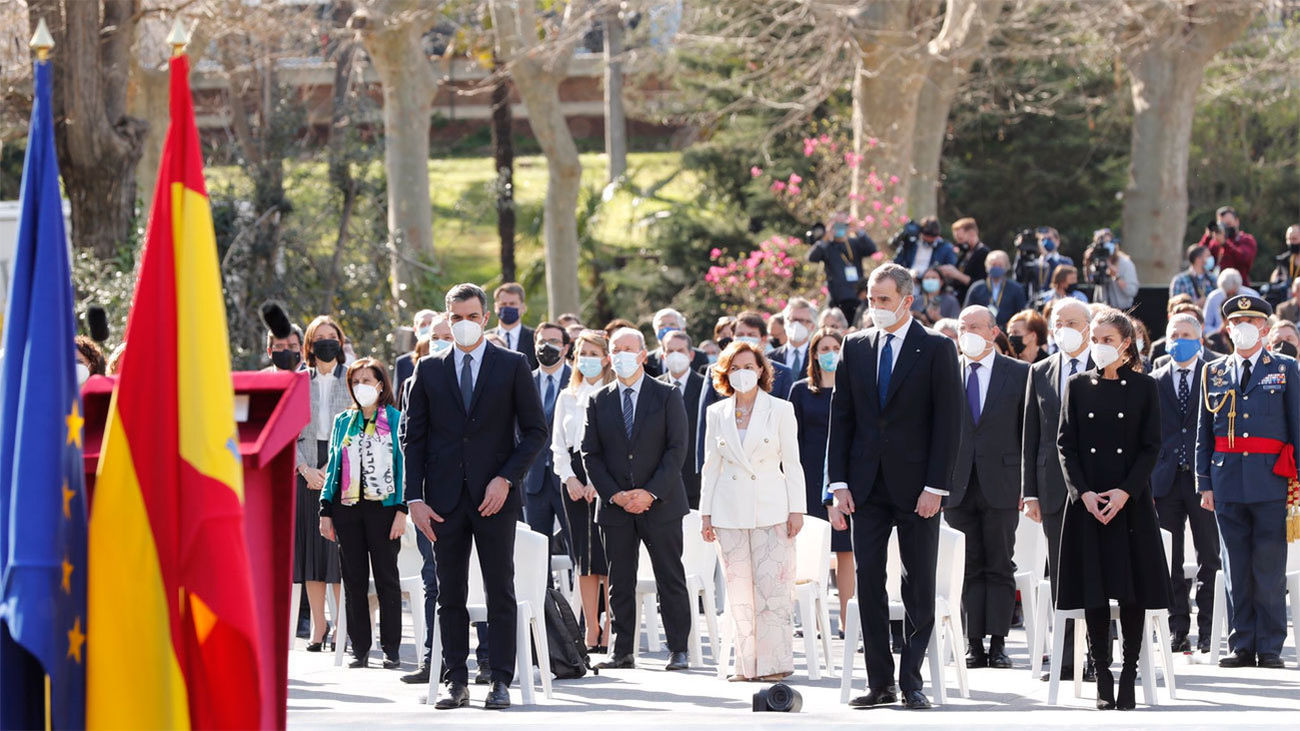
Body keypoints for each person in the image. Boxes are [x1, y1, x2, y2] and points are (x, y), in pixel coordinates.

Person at [403, 283, 548, 711]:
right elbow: (414, 440)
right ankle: (456, 680)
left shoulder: (512, 365)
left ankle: (500, 679)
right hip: (443, 502)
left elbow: (535, 431)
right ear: (446, 319)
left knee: (499, 587)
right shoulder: (427, 371)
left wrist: (506, 478)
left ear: (485, 318)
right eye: (456, 317)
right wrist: (414, 499)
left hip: (495, 498)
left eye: (471, 316)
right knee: (449, 593)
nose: (463, 324)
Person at [827, 263, 962, 710]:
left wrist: (936, 486)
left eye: (883, 299)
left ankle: (912, 681)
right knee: (868, 582)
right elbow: (842, 419)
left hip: (918, 488)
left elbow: (948, 424)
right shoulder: (856, 346)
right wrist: (839, 483)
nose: (875, 307)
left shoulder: (937, 349)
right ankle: (880, 682)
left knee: (918, 583)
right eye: (871, 298)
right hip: (865, 487)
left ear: (907, 300)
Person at [1057, 308, 1169, 710]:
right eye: (1095, 339)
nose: (1099, 346)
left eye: (1107, 340)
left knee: (1131, 590)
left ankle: (1129, 672)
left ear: (1126, 344)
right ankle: (1101, 670)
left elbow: (1150, 446)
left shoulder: (1144, 387)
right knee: (1094, 589)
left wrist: (1125, 492)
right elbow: (1065, 445)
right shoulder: (1076, 385)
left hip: (1129, 503)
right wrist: (1083, 493)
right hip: (1088, 503)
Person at [581, 327, 693, 672]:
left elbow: (677, 450)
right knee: (619, 582)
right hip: (616, 507)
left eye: (629, 349)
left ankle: (678, 648)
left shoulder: (667, 395)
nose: (621, 356)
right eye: (616, 349)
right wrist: (615, 494)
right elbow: (590, 453)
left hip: (660, 504)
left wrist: (650, 492)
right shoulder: (599, 399)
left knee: (669, 577)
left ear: (643, 355)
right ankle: (622, 650)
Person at [1196, 295, 1295, 670]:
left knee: (1268, 566)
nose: (1242, 328)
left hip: (1272, 479)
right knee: (1235, 565)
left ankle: (1269, 645)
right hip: (1227, 479)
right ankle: (1242, 643)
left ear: (1265, 329)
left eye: (1251, 321)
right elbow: (1204, 431)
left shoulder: (1284, 368)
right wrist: (1204, 481)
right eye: (1236, 322)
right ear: (1226, 328)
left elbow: (1296, 425)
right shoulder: (1214, 371)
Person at [699, 340, 806, 681]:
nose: (742, 373)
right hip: (728, 511)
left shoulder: (780, 409)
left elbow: (792, 462)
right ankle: (747, 666)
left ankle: (775, 664)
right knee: (739, 592)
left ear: (761, 370)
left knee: (772, 590)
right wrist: (705, 513)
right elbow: (710, 465)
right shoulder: (716, 413)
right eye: (735, 367)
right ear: (725, 373)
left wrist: (797, 510)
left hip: (772, 509)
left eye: (749, 366)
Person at [948, 306, 1029, 669]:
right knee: (966, 565)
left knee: (999, 563)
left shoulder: (1020, 374)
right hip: (957, 485)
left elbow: (1028, 434)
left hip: (1003, 482)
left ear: (994, 332)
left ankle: (998, 643)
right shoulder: (948, 373)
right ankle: (973, 642)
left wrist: (1027, 487)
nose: (968, 333)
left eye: (975, 327)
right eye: (963, 327)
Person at [1021, 298, 1094, 681]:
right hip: (1052, 489)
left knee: (1097, 571)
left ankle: (1098, 656)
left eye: (1073, 321)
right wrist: (1028, 491)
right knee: (1063, 574)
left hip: (1096, 487)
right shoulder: (1040, 371)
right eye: (1058, 321)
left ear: (1088, 326)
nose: (1064, 327)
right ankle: (1066, 659)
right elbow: (1031, 436)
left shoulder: (1105, 366)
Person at [318, 357, 407, 669]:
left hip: (384, 510)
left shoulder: (395, 419)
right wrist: (325, 509)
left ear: (381, 385)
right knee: (353, 579)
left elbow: (403, 467)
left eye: (367, 381)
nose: (361, 387)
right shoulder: (344, 421)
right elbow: (333, 467)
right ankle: (360, 647)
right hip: (347, 509)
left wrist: (401, 509)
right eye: (356, 381)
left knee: (386, 578)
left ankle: (392, 648)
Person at [1149, 313, 1221, 654]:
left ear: (1201, 337)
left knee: (1209, 555)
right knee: (1169, 559)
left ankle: (1208, 628)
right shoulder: (1156, 378)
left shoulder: (1216, 371)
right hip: (1164, 481)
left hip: (1203, 478)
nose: (1180, 339)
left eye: (1186, 333)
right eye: (1174, 334)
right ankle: (1176, 628)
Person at [552, 330, 615, 652]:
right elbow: (558, 447)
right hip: (574, 479)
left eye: (593, 353)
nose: (587, 359)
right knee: (584, 558)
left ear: (606, 358)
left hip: (606, 476)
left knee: (607, 557)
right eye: (582, 353)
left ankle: (609, 626)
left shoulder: (613, 393)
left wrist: (598, 483)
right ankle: (591, 628)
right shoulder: (567, 396)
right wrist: (570, 479)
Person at [788, 329, 854, 631]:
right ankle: (811, 620)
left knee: (845, 551)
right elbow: (792, 439)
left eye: (835, 347)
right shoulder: (801, 390)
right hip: (808, 473)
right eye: (824, 348)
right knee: (812, 550)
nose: (830, 353)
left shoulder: (852, 387)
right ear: (814, 354)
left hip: (841, 476)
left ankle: (845, 620)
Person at [295, 315, 348, 653]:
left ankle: (344, 626)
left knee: (340, 552)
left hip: (342, 469)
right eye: (320, 337)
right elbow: (288, 432)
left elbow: (359, 426)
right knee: (313, 553)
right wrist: (304, 468)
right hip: (305, 468)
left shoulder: (353, 377)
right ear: (310, 345)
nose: (327, 342)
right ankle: (319, 625)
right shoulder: (298, 381)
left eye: (333, 336)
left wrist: (330, 469)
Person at [522, 322, 573, 551]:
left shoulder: (577, 381)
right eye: (542, 341)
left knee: (577, 548)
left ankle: (578, 589)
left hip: (569, 480)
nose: (547, 347)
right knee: (537, 552)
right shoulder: (523, 381)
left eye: (553, 342)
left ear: (565, 348)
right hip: (533, 481)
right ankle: (543, 589)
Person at [656, 330, 709, 509]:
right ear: (663, 355)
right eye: (670, 351)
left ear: (691, 354)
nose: (675, 355)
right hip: (661, 481)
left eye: (681, 351)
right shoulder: (653, 387)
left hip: (697, 479)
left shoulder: (706, 387)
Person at [808, 212, 877, 321]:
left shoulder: (854, 243)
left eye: (843, 223)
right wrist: (826, 236)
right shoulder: (827, 246)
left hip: (857, 297)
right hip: (837, 300)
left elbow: (872, 249)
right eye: (837, 224)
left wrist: (858, 230)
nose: (840, 227)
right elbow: (812, 257)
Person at [732, 311, 794, 398]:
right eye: (740, 334)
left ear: (763, 339)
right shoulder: (717, 370)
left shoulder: (782, 373)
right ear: (732, 337)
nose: (745, 338)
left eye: (751, 335)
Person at [964, 250, 1028, 329]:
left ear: (1006, 267)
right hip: (981, 332)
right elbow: (967, 312)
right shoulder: (976, 288)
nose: (996, 268)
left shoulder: (1016, 289)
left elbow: (1022, 315)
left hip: (1007, 332)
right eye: (993, 265)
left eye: (1000, 265)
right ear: (987, 266)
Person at [1082, 231, 1140, 309]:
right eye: (1101, 244)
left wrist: (1116, 276)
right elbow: (1090, 280)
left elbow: (1132, 291)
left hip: (1121, 310)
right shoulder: (1097, 262)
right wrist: (1087, 263)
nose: (1104, 247)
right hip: (1101, 310)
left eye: (1107, 243)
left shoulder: (1126, 263)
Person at [645, 307, 709, 377]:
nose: (666, 329)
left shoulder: (699, 356)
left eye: (672, 324)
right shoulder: (648, 359)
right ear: (655, 331)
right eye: (662, 325)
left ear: (683, 329)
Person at [487, 282, 538, 370]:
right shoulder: (485, 338)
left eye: (512, 304)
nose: (508, 307)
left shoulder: (535, 338)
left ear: (523, 307)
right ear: (496, 307)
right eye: (503, 304)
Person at [1198, 206, 1258, 277]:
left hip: (1238, 285)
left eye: (1228, 224)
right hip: (1217, 285)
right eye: (1222, 225)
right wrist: (1207, 236)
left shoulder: (1246, 239)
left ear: (1237, 221)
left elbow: (1244, 259)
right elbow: (1198, 257)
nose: (1225, 227)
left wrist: (1225, 243)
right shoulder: (1215, 242)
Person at [1204, 268, 1260, 343]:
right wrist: (1218, 331)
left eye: (1234, 294)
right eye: (1228, 294)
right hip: (1221, 341)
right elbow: (1205, 325)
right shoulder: (1213, 298)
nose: (1231, 297)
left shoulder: (1252, 296)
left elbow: (1260, 322)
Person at [944, 217, 990, 302]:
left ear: (972, 233)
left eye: (960, 239)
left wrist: (956, 274)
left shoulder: (983, 253)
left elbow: (981, 283)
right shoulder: (965, 253)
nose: (959, 243)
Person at [769, 297, 818, 378]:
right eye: (793, 319)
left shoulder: (818, 357)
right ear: (785, 322)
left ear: (812, 326)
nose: (796, 324)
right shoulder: (770, 358)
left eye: (802, 321)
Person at [394, 309, 436, 398]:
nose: (428, 327)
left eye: (431, 323)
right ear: (415, 329)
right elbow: (398, 398)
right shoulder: (403, 363)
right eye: (423, 324)